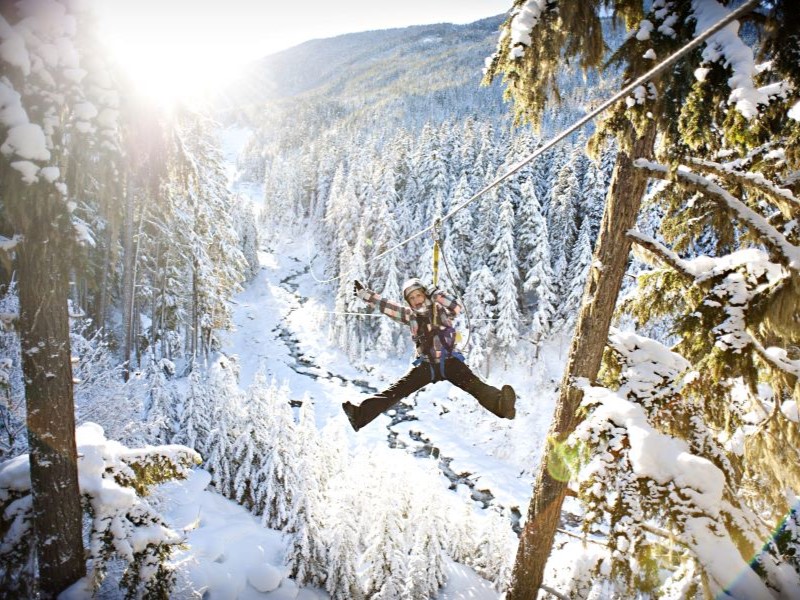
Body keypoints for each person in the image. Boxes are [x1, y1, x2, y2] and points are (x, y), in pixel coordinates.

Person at [341, 277, 516, 431]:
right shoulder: (410, 316)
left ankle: (501, 406)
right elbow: (388, 307)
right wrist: (365, 295)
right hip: (427, 366)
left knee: (475, 386)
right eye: (412, 298)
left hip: (450, 363)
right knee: (396, 391)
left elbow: (455, 307)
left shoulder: (440, 310)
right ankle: (360, 415)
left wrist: (436, 294)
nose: (416, 300)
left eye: (418, 295)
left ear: (425, 295)